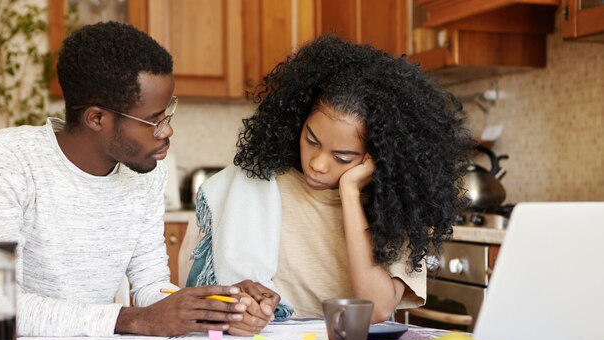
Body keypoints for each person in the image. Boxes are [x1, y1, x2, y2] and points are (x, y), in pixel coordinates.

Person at [0, 21, 279, 337]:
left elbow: (151, 285)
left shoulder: (146, 174)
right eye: (153, 121)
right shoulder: (5, 162)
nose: (167, 131)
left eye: (167, 115)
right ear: (97, 118)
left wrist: (218, 306)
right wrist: (131, 320)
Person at [186, 35, 472, 323]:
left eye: (343, 157)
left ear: (377, 156)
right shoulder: (255, 185)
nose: (317, 164)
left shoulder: (396, 207)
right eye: (311, 139)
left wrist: (350, 194)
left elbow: (377, 309)